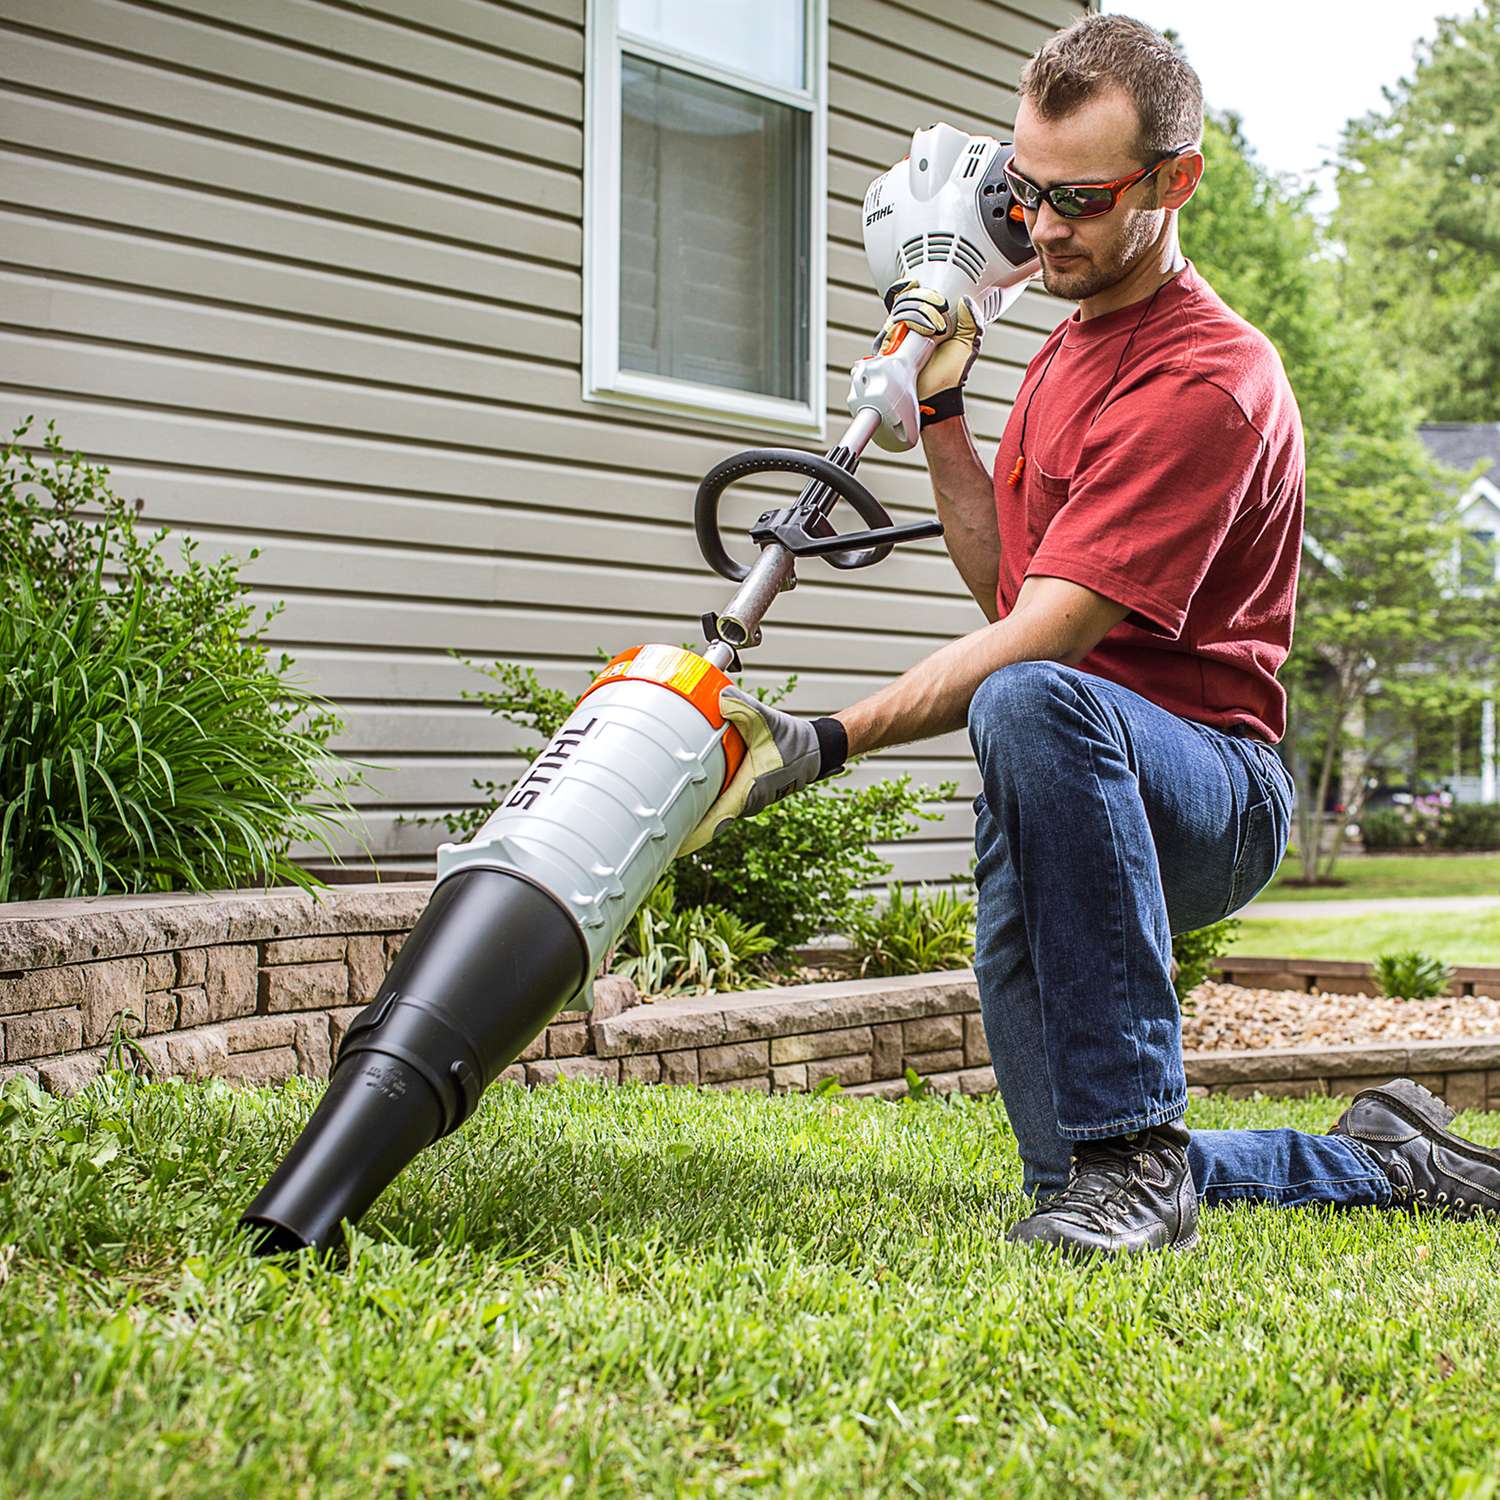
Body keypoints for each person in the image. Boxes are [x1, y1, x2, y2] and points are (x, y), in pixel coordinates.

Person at [680, 13, 1500, 1255]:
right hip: (1061, 769)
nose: (1044, 228)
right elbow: (1011, 592)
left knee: (1028, 701)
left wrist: (825, 738)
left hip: (1212, 781)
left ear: (1175, 184)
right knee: (1068, 1164)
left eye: (1082, 198)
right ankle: (1371, 1157)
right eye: (1026, 193)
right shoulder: (1065, 352)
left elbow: (1045, 645)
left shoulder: (1208, 379)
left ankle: (1136, 1160)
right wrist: (946, 401)